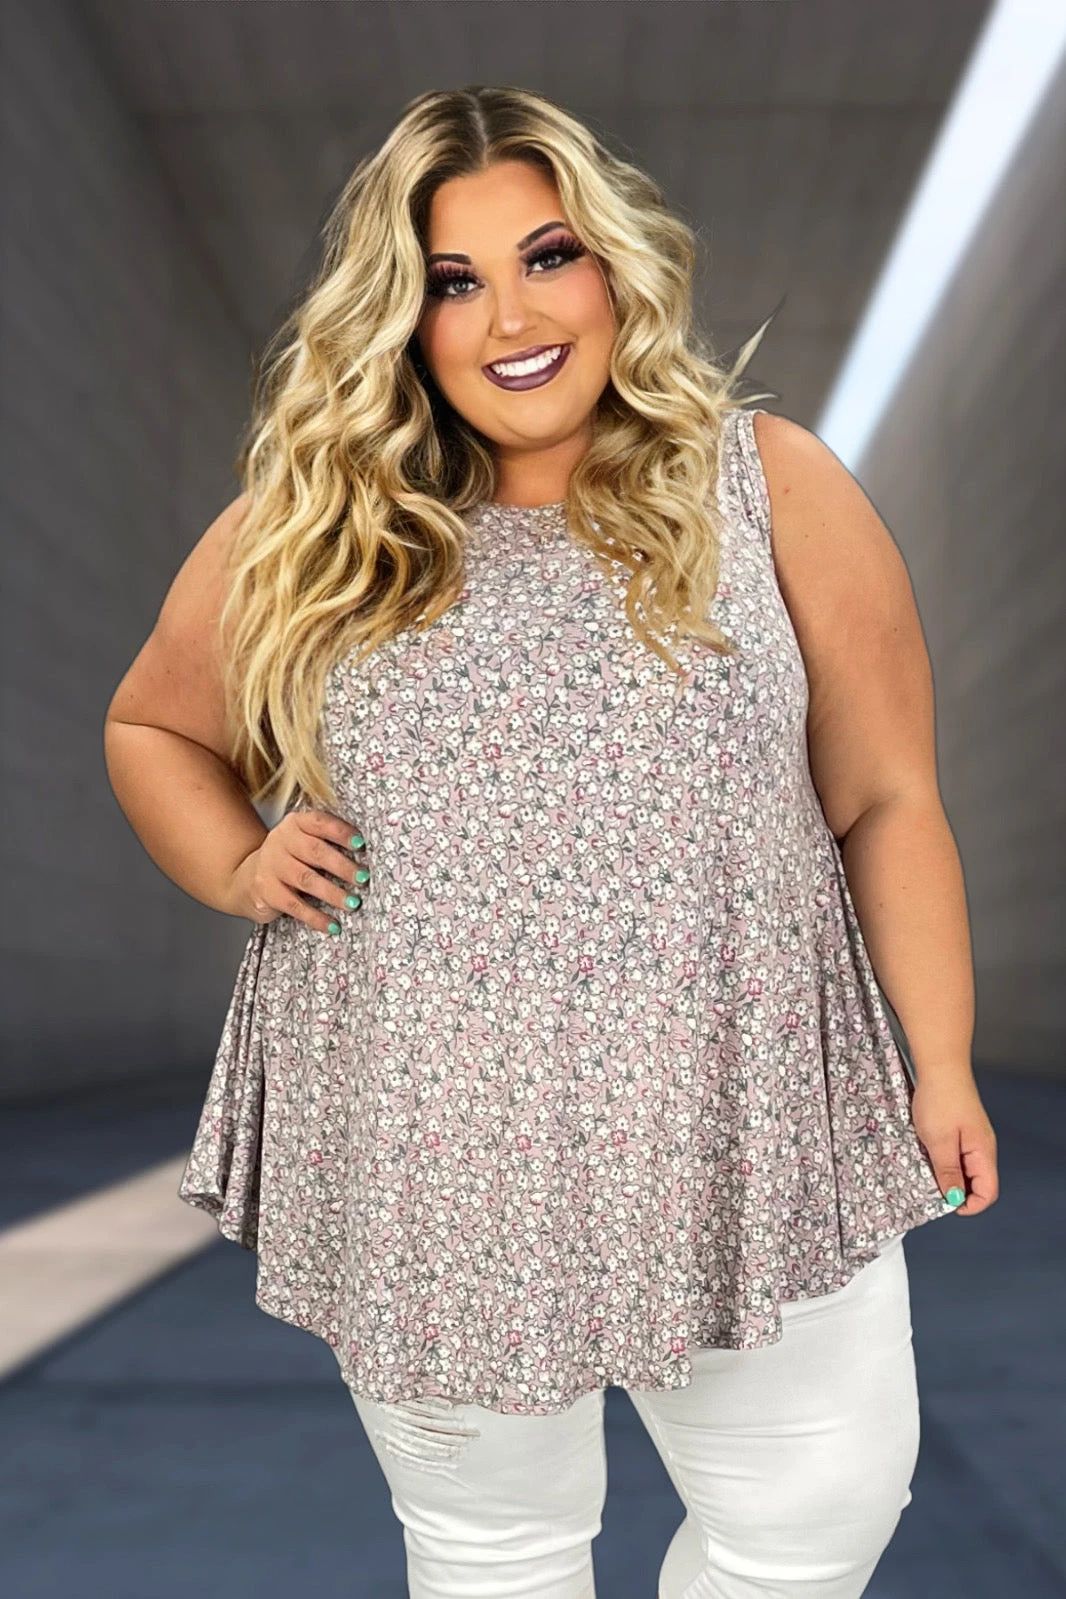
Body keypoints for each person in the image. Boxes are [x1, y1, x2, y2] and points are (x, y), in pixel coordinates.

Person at [104, 85, 999, 1599]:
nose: (511, 317)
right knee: (492, 1551)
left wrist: (944, 1059)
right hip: (427, 1142)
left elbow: (888, 799)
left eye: (549, 255)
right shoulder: (315, 529)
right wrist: (238, 862)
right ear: (401, 319)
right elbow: (154, 726)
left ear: (613, 268)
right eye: (453, 281)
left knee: (816, 1514)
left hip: (740, 1114)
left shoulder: (767, 485)